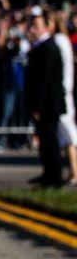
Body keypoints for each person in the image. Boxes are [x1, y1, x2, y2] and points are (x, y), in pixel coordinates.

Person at [24, 11, 64, 187]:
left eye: (36, 25)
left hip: (48, 104)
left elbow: (44, 80)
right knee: (45, 141)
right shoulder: (41, 47)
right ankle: (49, 174)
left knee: (50, 141)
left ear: (46, 27)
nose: (32, 29)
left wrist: (38, 107)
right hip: (44, 103)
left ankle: (54, 177)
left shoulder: (48, 47)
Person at [51, 13, 77, 185]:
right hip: (64, 91)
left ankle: (75, 173)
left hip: (63, 92)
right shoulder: (64, 40)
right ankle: (72, 171)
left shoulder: (60, 40)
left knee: (69, 133)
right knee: (66, 134)